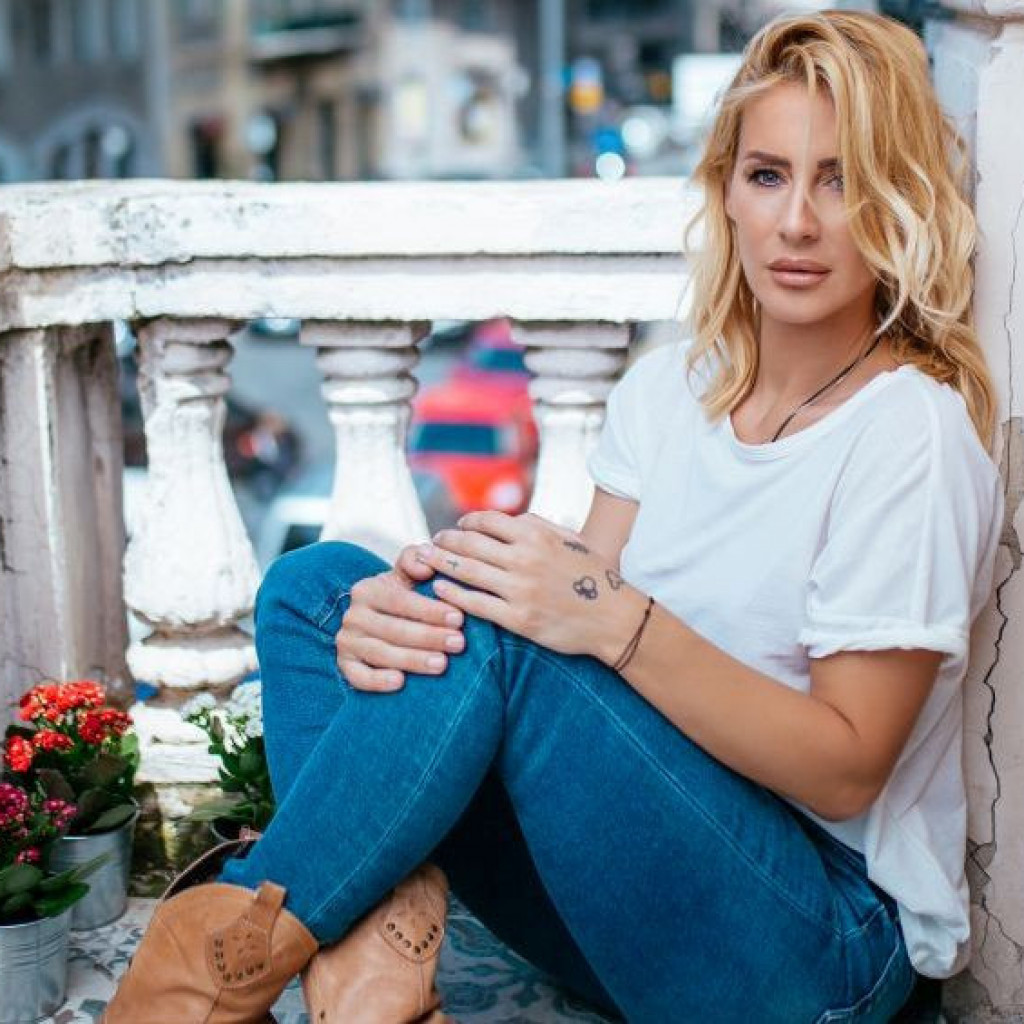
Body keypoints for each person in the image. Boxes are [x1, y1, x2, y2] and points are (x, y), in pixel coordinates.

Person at [103, 10, 1004, 1024]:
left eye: (839, 181)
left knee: (502, 634)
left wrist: (614, 619)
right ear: (725, 189)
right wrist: (406, 614)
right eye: (767, 174)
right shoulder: (672, 389)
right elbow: (567, 627)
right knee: (314, 594)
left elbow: (845, 768)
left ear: (897, 203)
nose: (796, 221)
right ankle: (365, 989)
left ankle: (191, 994)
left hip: (817, 948)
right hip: (626, 900)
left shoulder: (909, 432)